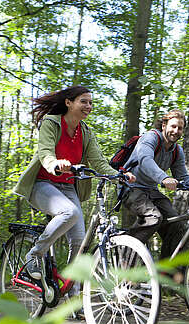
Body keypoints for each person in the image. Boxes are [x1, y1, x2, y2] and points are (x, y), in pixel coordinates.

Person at [13, 85, 135, 279]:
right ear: (68, 103)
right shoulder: (51, 123)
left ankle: (72, 296)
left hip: (68, 186)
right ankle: (34, 254)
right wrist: (55, 163)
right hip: (43, 184)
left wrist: (119, 175)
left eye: (91, 102)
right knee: (69, 212)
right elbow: (45, 152)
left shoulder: (86, 132)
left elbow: (99, 162)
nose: (88, 106)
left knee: (79, 241)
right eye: (83, 101)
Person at [122, 109, 189, 265]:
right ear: (164, 125)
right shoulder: (150, 137)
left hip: (151, 191)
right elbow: (145, 160)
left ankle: (164, 275)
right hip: (131, 187)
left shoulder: (177, 151)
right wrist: (163, 178)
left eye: (180, 128)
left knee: (176, 225)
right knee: (153, 217)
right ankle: (125, 253)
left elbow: (183, 177)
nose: (176, 131)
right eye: (173, 126)